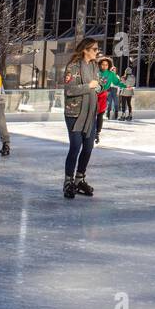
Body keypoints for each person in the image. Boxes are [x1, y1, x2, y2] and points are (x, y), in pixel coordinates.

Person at [62, 38, 102, 199]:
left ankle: (79, 179)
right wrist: (90, 86)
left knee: (88, 148)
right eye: (94, 49)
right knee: (75, 146)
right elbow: (69, 90)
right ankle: (68, 181)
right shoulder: (72, 67)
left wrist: (97, 86)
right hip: (74, 113)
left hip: (91, 113)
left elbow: (98, 84)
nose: (97, 52)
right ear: (85, 50)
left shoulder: (94, 66)